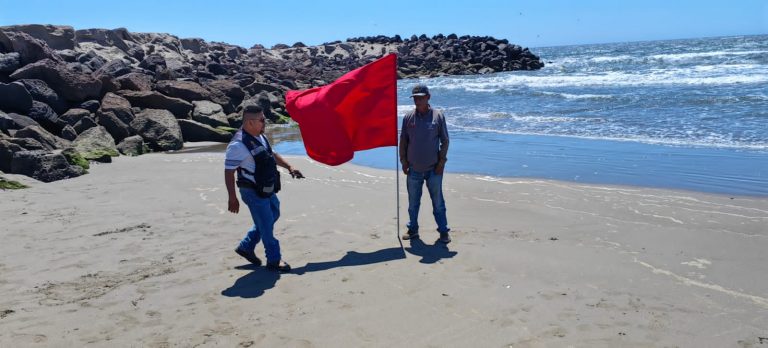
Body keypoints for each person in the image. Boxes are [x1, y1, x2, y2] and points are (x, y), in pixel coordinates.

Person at [224, 104, 304, 272]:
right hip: (252, 191)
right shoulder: (237, 145)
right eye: (262, 120)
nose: (265, 123)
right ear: (250, 122)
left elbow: (272, 154)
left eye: (264, 119)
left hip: (266, 188)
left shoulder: (260, 136)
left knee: (274, 213)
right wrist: (232, 197)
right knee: (266, 224)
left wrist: (289, 167)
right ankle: (274, 260)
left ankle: (246, 246)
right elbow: (229, 172)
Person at [399, 84, 451, 243]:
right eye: (415, 98)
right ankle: (412, 230)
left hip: (434, 169)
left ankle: (443, 232)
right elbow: (403, 142)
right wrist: (403, 161)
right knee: (413, 203)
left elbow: (445, 140)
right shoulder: (408, 117)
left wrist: (441, 162)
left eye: (420, 97)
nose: (417, 100)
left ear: (428, 97)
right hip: (413, 169)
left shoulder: (438, 116)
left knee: (438, 203)